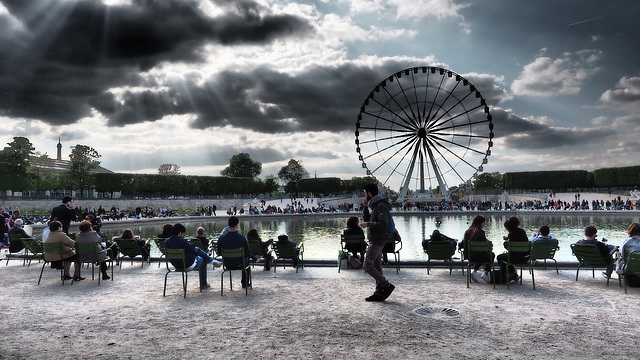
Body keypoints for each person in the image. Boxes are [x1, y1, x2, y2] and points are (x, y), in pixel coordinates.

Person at [359, 182, 395, 302]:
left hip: (377, 240)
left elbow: (383, 224)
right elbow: (367, 219)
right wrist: (365, 207)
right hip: (375, 239)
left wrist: (368, 224)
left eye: (365, 193)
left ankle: (386, 285)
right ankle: (379, 292)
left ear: (369, 193)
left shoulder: (381, 206)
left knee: (367, 265)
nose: (365, 195)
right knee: (376, 266)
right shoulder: (374, 205)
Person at [164, 223, 215, 290]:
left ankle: (211, 260)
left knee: (195, 251)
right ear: (180, 233)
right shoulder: (182, 241)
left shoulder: (166, 241)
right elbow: (191, 247)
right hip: (186, 264)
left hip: (175, 264)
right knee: (202, 259)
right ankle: (203, 284)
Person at [217, 216, 252, 288]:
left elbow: (219, 253)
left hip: (227, 263)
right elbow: (247, 253)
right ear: (237, 225)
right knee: (246, 260)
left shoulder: (221, 238)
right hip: (239, 264)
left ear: (228, 224)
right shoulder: (242, 238)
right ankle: (245, 283)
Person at [459, 214, 494, 283]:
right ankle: (486, 273)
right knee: (491, 255)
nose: (485, 224)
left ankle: (474, 271)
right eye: (484, 222)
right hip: (478, 256)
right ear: (480, 223)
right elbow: (486, 245)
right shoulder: (480, 232)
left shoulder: (467, 231)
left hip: (469, 256)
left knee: (480, 252)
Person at [496, 216, 529, 284]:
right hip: (525, 257)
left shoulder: (511, 234)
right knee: (508, 256)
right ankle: (514, 275)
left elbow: (509, 248)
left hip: (515, 258)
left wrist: (505, 243)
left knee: (500, 257)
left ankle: (505, 276)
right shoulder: (522, 231)